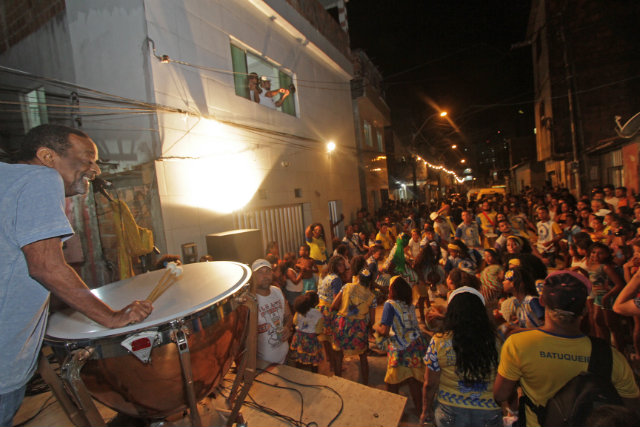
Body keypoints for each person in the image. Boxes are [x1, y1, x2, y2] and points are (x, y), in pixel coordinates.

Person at [0, 124, 153, 425]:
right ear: (47, 156)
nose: (94, 168)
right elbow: (46, 265)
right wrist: (111, 317)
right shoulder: (40, 178)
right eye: (87, 158)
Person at [494, 270, 640, 427]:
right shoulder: (611, 355)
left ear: (542, 301)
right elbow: (632, 409)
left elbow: (500, 394)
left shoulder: (519, 344)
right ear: (584, 310)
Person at [420, 287, 502, 427]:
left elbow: (430, 384)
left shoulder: (439, 341)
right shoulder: (496, 341)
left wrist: (425, 410)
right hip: (488, 411)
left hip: (450, 411)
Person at [374, 276, 427, 416]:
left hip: (400, 348)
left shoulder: (389, 304)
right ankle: (420, 409)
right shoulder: (409, 305)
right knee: (413, 380)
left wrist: (376, 328)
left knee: (392, 381)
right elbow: (415, 325)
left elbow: (385, 330)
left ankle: (393, 411)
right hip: (415, 346)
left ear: (393, 289)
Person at [331, 264, 377, 384]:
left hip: (342, 323)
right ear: (370, 281)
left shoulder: (346, 287)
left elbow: (334, 306)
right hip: (359, 327)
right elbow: (372, 320)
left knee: (338, 354)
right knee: (362, 355)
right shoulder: (372, 297)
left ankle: (338, 380)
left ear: (358, 277)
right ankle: (365, 383)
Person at [252, 259, 293, 365]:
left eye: (268, 271)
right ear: (253, 276)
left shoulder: (277, 291)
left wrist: (287, 327)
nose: (265, 276)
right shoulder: (250, 300)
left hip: (284, 356)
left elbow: (288, 315)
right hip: (263, 363)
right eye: (260, 272)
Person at [317, 255, 347, 372]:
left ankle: (330, 362)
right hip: (330, 310)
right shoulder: (336, 280)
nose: (343, 267)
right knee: (335, 341)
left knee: (326, 339)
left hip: (321, 309)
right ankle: (336, 366)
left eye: (343, 264)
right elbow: (336, 301)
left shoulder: (326, 276)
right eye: (340, 264)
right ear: (334, 266)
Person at [289, 291, 324, 373]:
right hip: (311, 339)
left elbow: (294, 322)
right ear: (316, 302)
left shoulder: (299, 310)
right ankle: (314, 374)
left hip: (299, 337)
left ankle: (297, 372)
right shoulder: (318, 314)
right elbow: (318, 331)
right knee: (313, 360)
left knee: (298, 357)